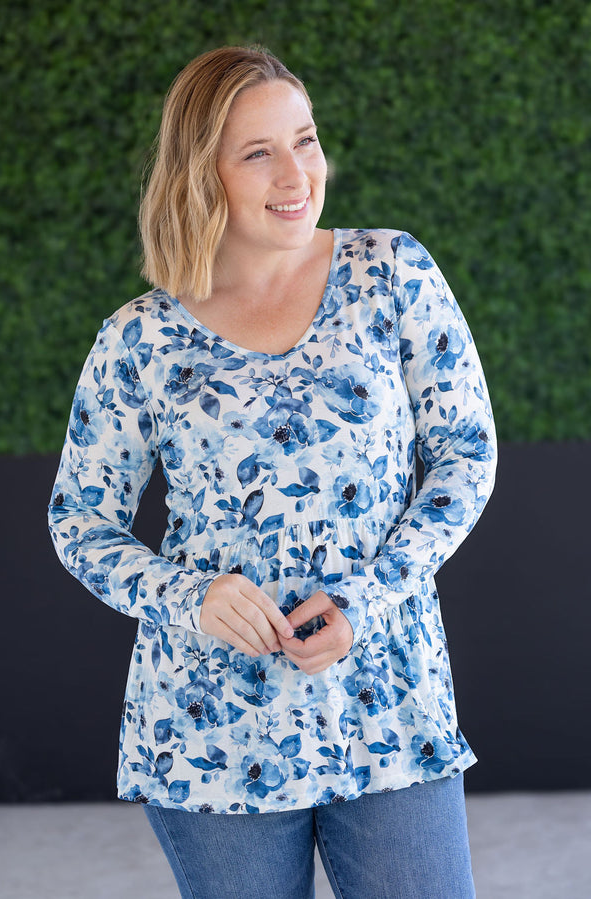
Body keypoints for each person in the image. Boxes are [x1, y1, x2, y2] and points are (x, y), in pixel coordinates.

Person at [48, 45, 497, 899]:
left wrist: (366, 599)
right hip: (211, 725)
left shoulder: (392, 272)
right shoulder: (138, 338)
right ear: (199, 171)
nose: (296, 173)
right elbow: (79, 520)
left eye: (306, 138)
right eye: (257, 152)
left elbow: (466, 455)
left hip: (386, 695)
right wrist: (190, 596)